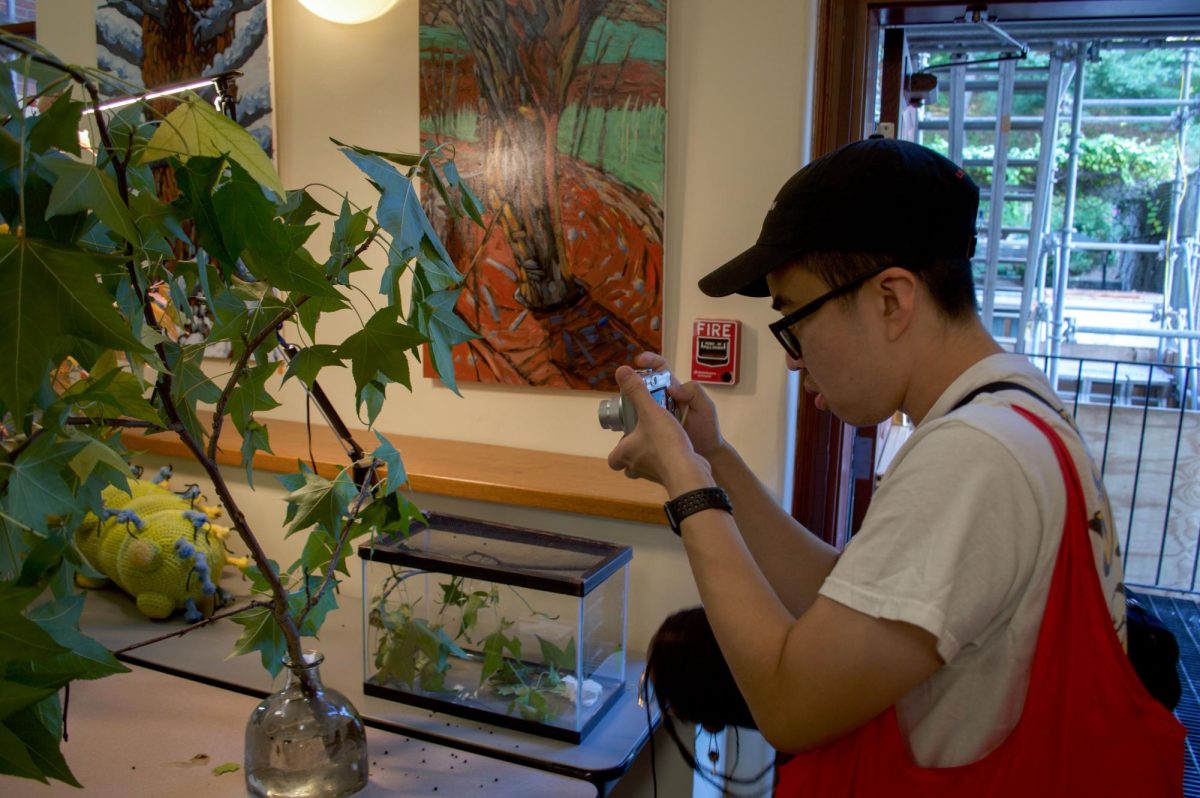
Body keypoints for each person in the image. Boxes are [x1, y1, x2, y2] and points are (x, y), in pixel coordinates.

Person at [606, 136, 1184, 795]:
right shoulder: (1016, 409)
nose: (793, 359)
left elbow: (792, 706)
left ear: (891, 300)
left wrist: (686, 483)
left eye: (794, 316)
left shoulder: (973, 457)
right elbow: (845, 593)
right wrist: (712, 455)